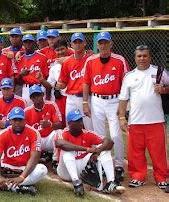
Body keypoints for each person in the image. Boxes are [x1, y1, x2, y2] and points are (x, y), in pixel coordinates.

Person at [118, 45, 168, 190]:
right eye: (139, 56)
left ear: (150, 57)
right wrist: (122, 117)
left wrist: (164, 89)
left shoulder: (159, 71)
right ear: (135, 58)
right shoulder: (129, 76)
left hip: (156, 120)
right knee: (135, 152)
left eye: (145, 56)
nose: (142, 59)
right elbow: (123, 99)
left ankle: (161, 177)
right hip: (135, 120)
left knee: (158, 152)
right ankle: (137, 176)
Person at [83, 31, 129, 181]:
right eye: (100, 43)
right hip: (96, 100)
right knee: (100, 135)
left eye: (105, 42)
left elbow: (127, 83)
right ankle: (104, 163)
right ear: (97, 45)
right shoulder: (90, 61)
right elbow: (86, 83)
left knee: (115, 134)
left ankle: (119, 165)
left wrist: (123, 105)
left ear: (111, 44)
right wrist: (85, 102)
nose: (103, 45)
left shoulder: (119, 60)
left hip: (115, 100)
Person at [55, 109, 125, 196]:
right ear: (69, 123)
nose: (80, 123)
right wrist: (87, 149)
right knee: (67, 151)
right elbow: (61, 144)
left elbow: (109, 142)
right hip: (65, 171)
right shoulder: (62, 132)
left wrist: (98, 151)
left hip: (81, 169)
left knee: (104, 149)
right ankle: (76, 182)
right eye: (77, 121)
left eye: (81, 120)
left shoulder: (87, 133)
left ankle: (111, 182)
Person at [0, 107, 47, 195]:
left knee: (42, 169)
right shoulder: (3, 134)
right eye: (15, 120)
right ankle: (18, 187)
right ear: (10, 121)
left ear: (24, 120)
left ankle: (1, 185)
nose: (17, 123)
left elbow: (35, 157)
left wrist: (22, 177)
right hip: (6, 167)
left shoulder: (34, 133)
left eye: (20, 119)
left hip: (24, 168)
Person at [57, 33, 93, 130]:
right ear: (71, 45)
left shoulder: (91, 59)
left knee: (90, 127)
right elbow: (64, 82)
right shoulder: (67, 62)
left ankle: (93, 145)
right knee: (70, 126)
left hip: (86, 97)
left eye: (80, 42)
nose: (77, 44)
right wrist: (60, 85)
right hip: (71, 98)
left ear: (84, 43)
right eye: (75, 42)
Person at [24, 85, 62, 170]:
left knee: (59, 133)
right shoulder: (26, 111)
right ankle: (32, 158)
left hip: (49, 138)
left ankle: (55, 161)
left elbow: (60, 124)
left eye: (38, 95)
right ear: (31, 98)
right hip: (36, 141)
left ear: (42, 95)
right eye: (34, 96)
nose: (36, 98)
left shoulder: (51, 105)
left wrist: (50, 125)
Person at [16, 34, 50, 106]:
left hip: (40, 87)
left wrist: (48, 95)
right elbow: (19, 82)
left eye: (30, 42)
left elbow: (47, 78)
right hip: (26, 88)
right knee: (27, 112)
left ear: (34, 43)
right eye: (26, 42)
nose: (28, 44)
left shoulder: (42, 57)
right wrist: (21, 75)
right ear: (23, 43)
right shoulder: (20, 59)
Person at [47, 39, 69, 126]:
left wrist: (67, 59)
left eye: (62, 49)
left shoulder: (74, 60)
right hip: (61, 97)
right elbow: (50, 84)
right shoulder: (54, 66)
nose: (60, 52)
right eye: (57, 50)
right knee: (62, 120)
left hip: (73, 96)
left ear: (67, 49)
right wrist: (41, 80)